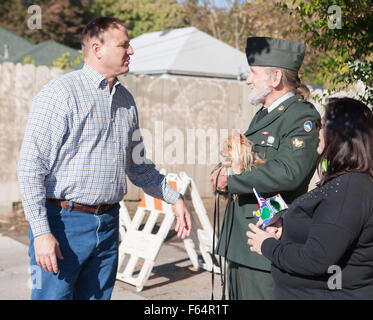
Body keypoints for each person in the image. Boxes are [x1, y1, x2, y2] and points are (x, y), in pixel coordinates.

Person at [17, 17, 192, 300]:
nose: (131, 51)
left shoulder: (126, 101)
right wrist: (41, 233)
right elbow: (29, 169)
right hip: (63, 225)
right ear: (97, 49)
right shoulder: (60, 94)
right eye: (124, 45)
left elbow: (138, 167)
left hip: (108, 225)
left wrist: (175, 198)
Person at [210, 37, 320, 300]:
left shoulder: (302, 116)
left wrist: (231, 179)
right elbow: (252, 160)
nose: (248, 79)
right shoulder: (265, 113)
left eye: (254, 73)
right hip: (242, 239)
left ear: (275, 78)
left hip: (266, 239)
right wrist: (222, 171)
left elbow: (288, 172)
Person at [248, 97, 373, 299]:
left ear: (339, 134)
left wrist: (268, 245)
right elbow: (326, 233)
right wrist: (285, 230)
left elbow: (317, 258)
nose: (317, 132)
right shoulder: (346, 183)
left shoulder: (349, 189)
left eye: (321, 125)